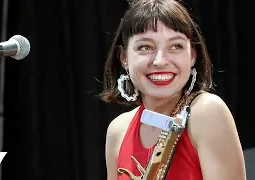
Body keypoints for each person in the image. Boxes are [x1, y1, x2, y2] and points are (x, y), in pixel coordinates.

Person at [100, 0, 246, 179]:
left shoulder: (206, 112)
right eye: (145, 47)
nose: (160, 61)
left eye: (175, 46)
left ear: (192, 55)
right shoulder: (118, 130)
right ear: (124, 58)